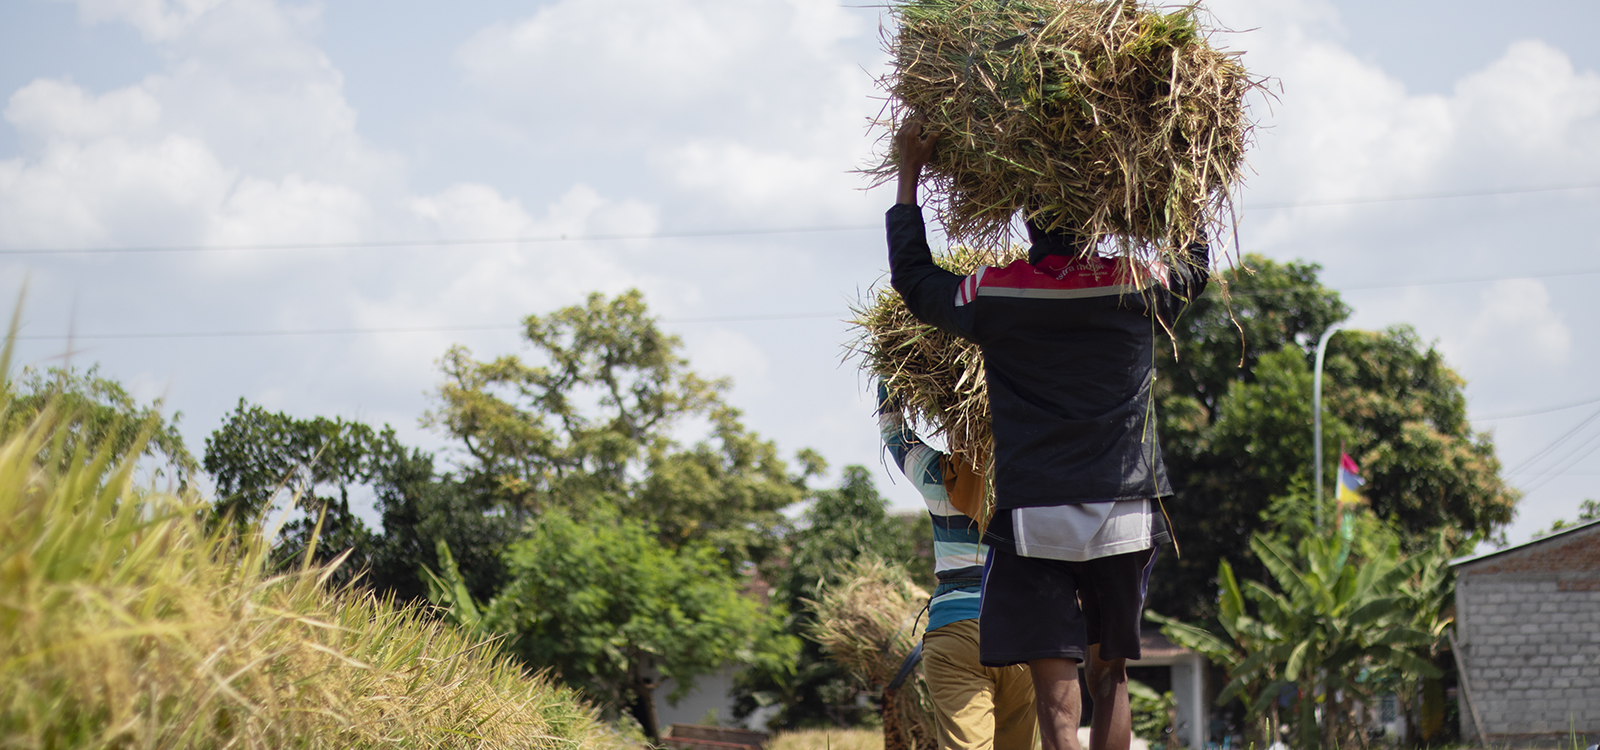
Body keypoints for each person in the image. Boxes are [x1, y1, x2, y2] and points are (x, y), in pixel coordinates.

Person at [885, 117, 1208, 750]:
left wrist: (909, 175)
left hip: (1035, 518)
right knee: (1111, 677)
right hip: (1124, 509)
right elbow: (1193, 266)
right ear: (1095, 223)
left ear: (1028, 226)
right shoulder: (1136, 285)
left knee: (1055, 696)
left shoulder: (997, 292)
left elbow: (915, 280)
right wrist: (1186, 174)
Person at [876, 382, 1037, 750]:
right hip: (1024, 632)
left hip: (953, 635)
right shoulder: (1031, 476)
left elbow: (893, 430)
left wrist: (889, 373)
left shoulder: (938, 477)